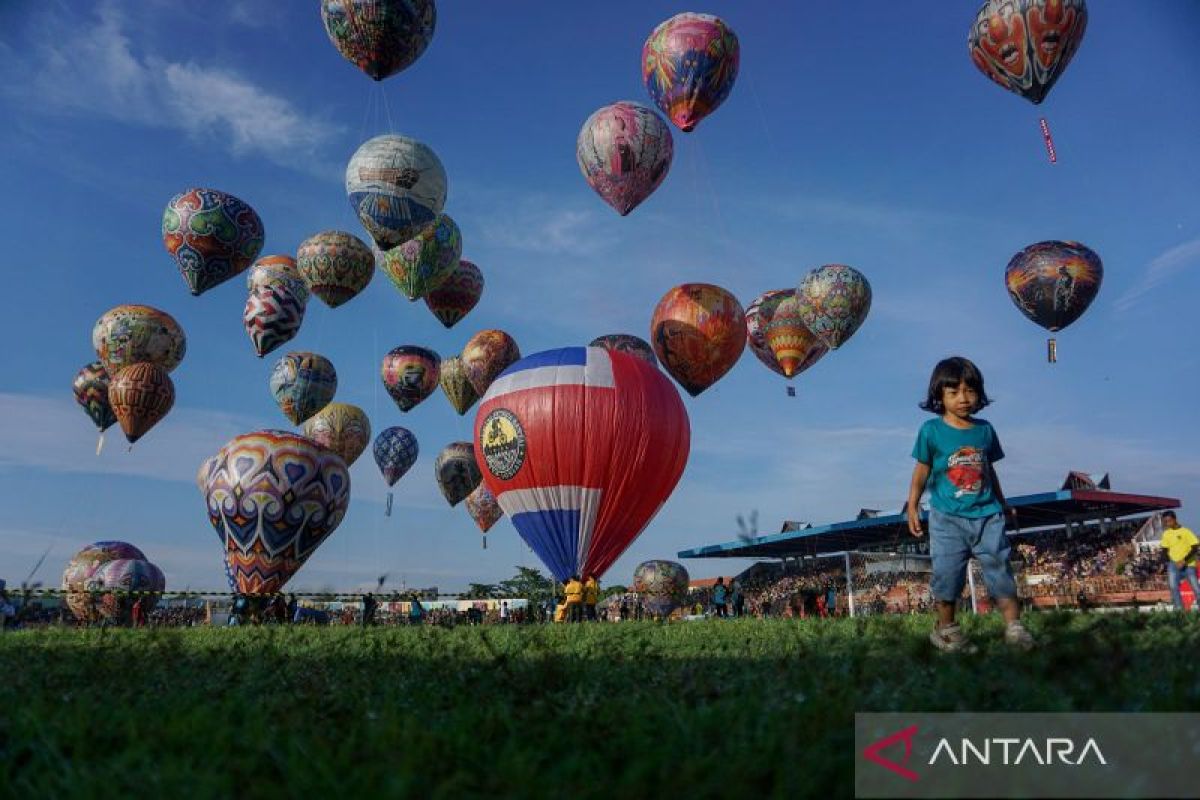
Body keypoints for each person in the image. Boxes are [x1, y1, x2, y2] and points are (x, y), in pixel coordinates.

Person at [906, 357, 1033, 652]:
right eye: (954, 392)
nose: (963, 398)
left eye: (970, 391)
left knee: (999, 568)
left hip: (988, 515)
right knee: (948, 573)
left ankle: (1014, 628)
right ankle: (946, 629)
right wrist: (912, 505)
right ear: (939, 396)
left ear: (979, 393)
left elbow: (990, 471)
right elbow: (921, 470)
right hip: (947, 517)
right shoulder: (931, 431)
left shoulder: (985, 430)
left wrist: (1003, 503)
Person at [1159, 511, 1200, 611]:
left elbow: (1195, 547)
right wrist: (1165, 563)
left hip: (1189, 564)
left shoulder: (1186, 531)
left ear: (1174, 519)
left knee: (1196, 588)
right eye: (1165, 522)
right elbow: (1164, 550)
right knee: (1173, 587)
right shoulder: (1166, 534)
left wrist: (1184, 561)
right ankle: (1179, 610)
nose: (1167, 523)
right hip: (1173, 564)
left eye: (1169, 521)